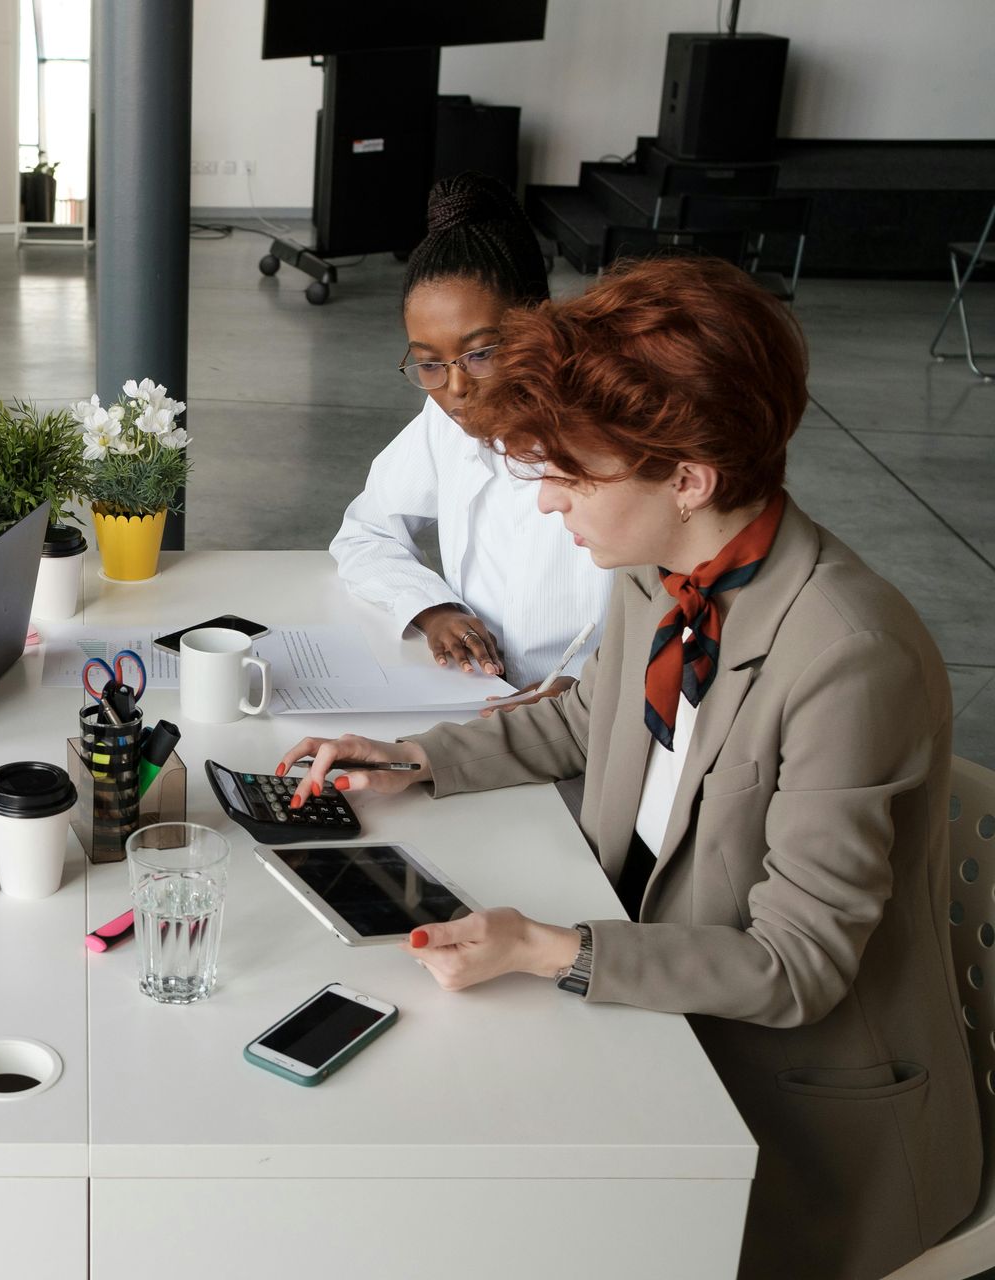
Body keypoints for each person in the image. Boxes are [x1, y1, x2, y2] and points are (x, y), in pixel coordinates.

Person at [281, 257, 978, 1280]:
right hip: (663, 1018)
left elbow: (797, 965)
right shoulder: (662, 569)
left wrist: (549, 946)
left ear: (688, 477)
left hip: (799, 1123)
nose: (548, 503)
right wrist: (415, 757)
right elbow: (586, 719)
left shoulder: (845, 655)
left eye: (570, 472)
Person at [330, 173, 611, 698]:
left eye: (481, 353)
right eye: (428, 363)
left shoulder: (616, 432)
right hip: (480, 703)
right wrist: (433, 608)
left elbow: (685, 613)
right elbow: (366, 532)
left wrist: (587, 694)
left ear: (538, 323)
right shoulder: (446, 422)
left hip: (598, 722)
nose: (456, 387)